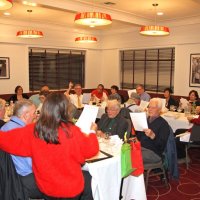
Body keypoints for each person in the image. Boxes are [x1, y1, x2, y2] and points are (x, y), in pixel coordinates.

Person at [0, 92, 99, 199]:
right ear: (65, 110)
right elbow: (92, 150)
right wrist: (92, 132)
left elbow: (4, 140)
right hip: (71, 188)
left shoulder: (33, 130)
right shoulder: (72, 131)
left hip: (47, 188)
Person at [0, 99, 43, 199]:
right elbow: (32, 165)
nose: (36, 116)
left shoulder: (5, 128)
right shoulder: (21, 134)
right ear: (26, 115)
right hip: (25, 180)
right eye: (34, 113)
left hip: (10, 180)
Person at [136, 98, 170, 164]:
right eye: (149, 107)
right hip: (142, 148)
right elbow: (140, 137)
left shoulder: (163, 124)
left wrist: (153, 136)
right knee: (124, 152)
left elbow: (161, 146)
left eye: (153, 108)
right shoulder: (146, 120)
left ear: (159, 110)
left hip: (154, 152)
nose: (150, 109)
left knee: (131, 156)